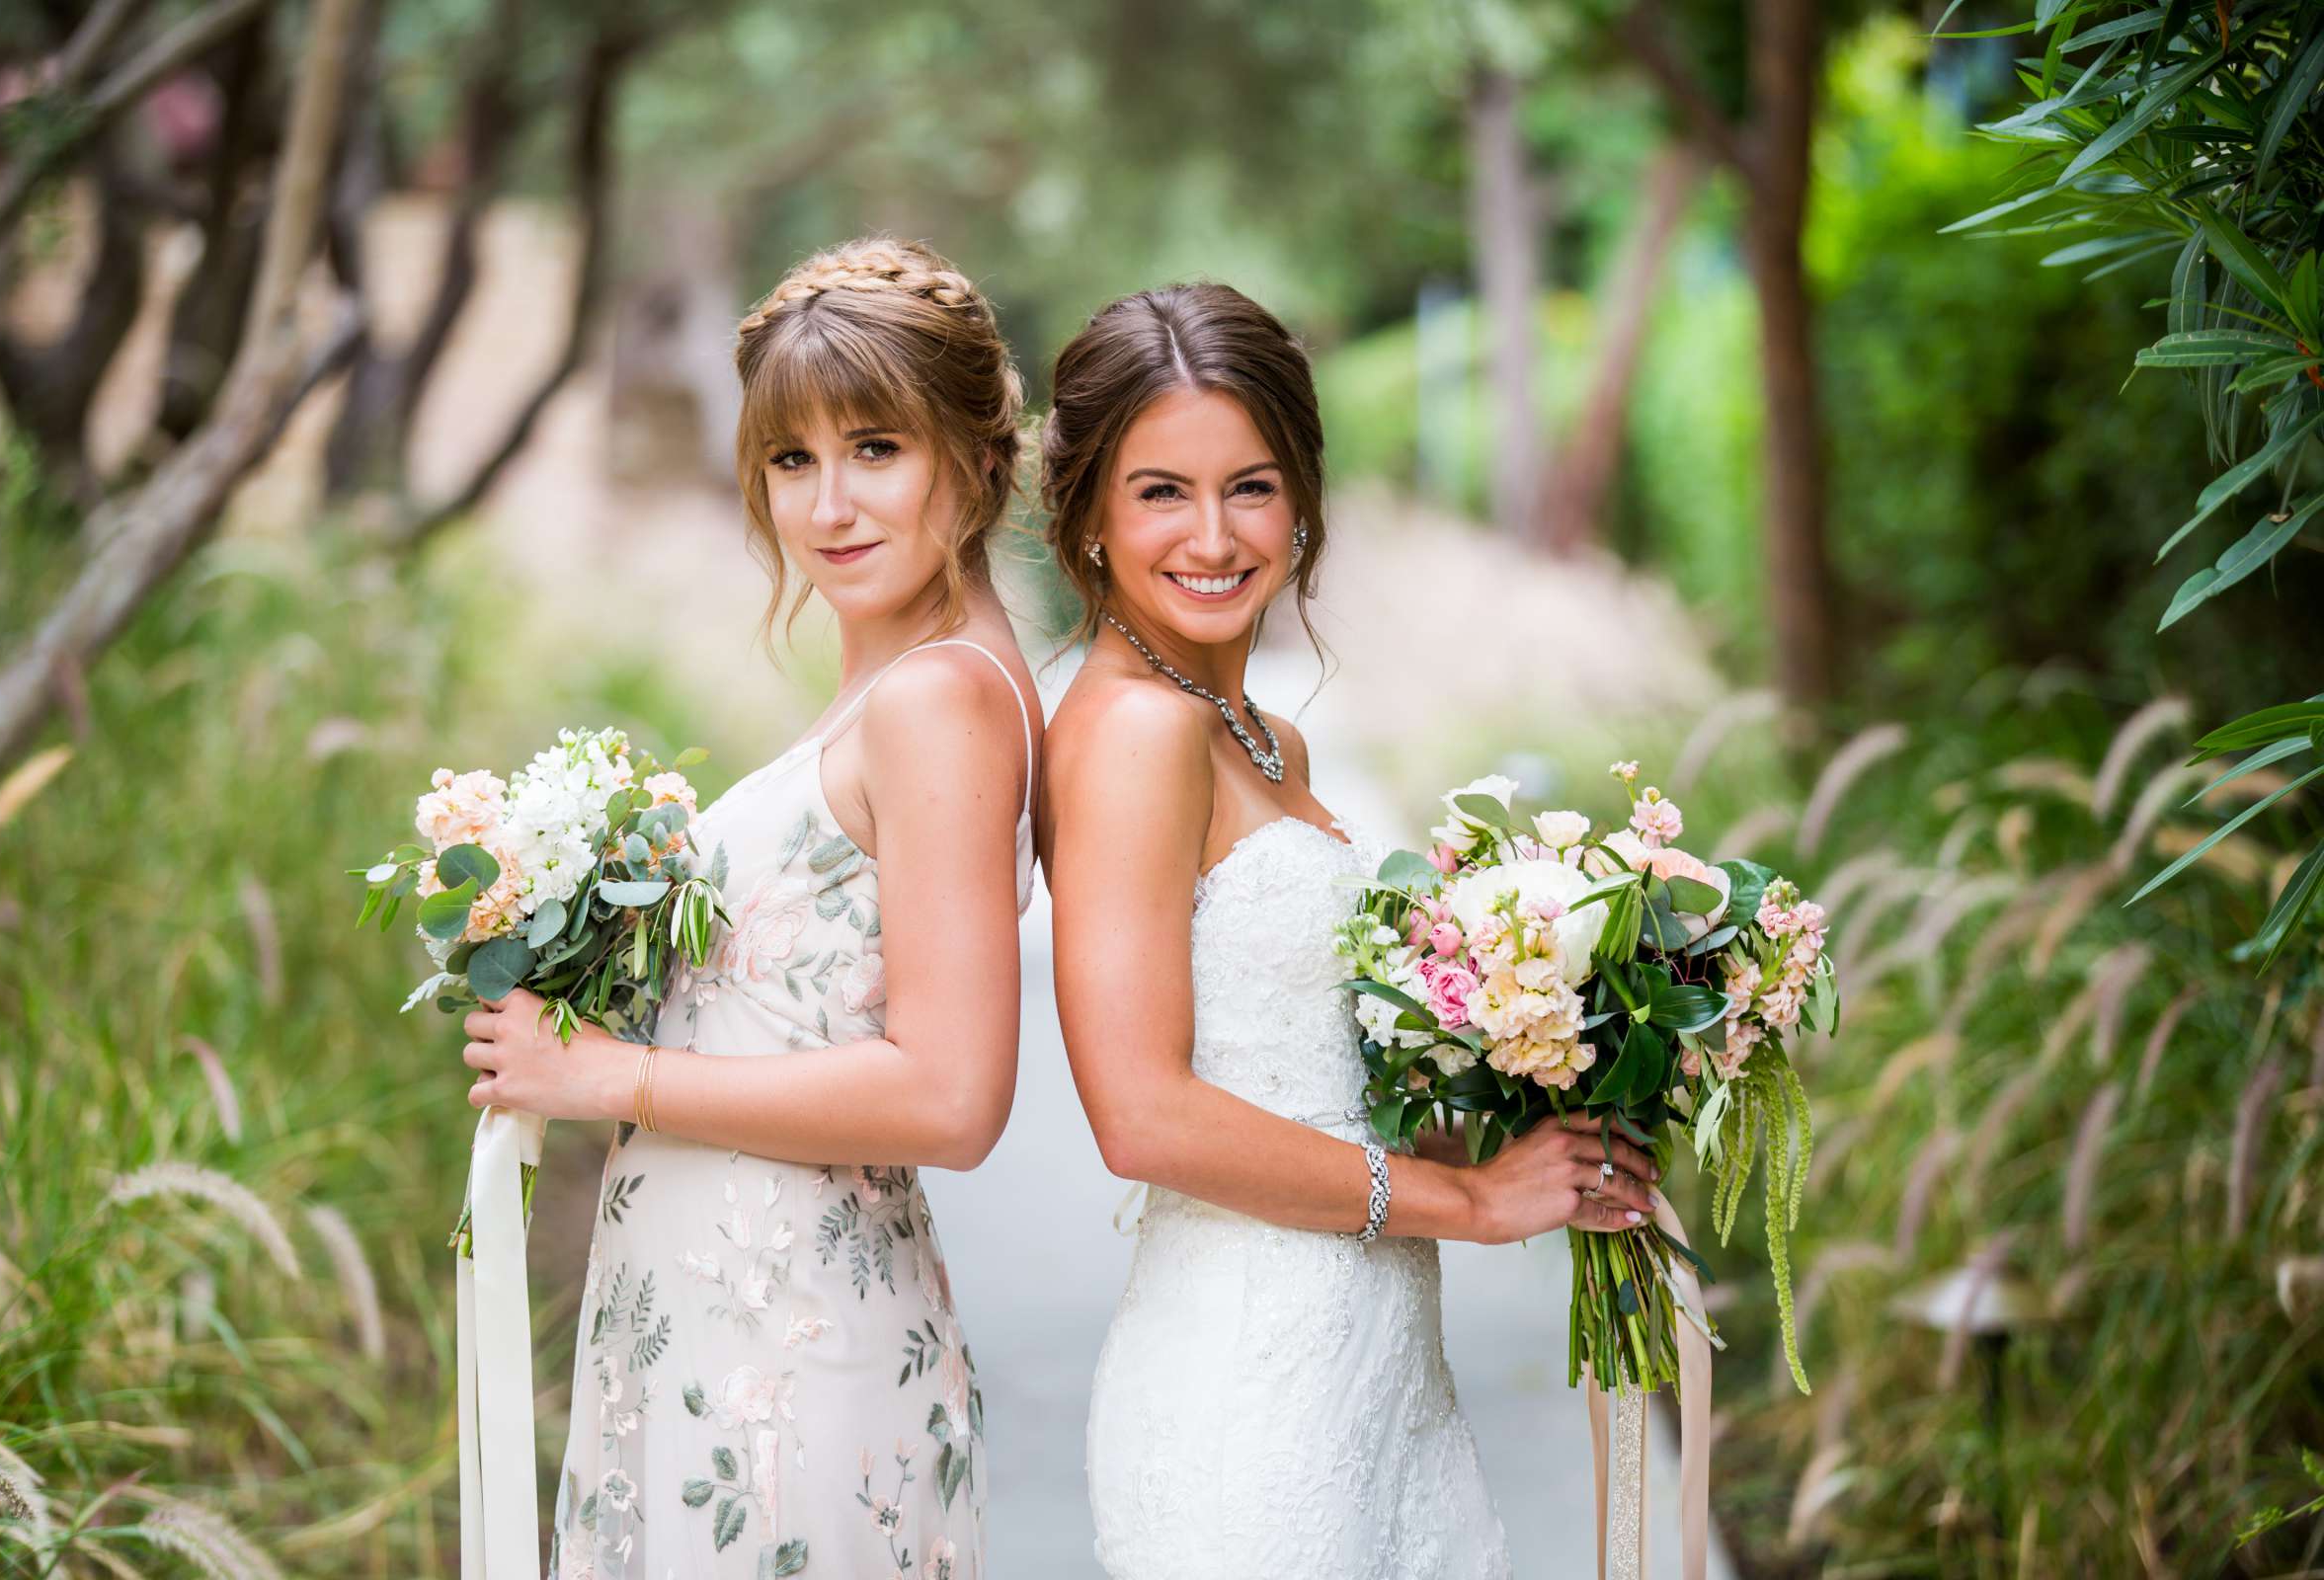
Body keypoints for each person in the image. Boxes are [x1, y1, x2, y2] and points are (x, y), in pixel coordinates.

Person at [1037, 280, 1656, 1578]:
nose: (1212, 534)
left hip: (1372, 1378)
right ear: (1089, 509)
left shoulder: (1267, 735)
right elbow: (1140, 1113)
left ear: (1304, 497)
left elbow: (1311, 1071)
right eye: (1160, 490)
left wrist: (1544, 1088)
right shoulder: (1138, 736)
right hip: (1249, 1396)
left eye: (1250, 485)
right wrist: (1472, 1202)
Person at [459, 237, 1039, 1580]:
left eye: (877, 448)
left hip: (788, 1362)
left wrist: (612, 1073)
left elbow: (953, 1097)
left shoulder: (940, 701)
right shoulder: (905, 682)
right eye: (792, 460)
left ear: (975, 456)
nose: (829, 503)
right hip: (730, 1320)